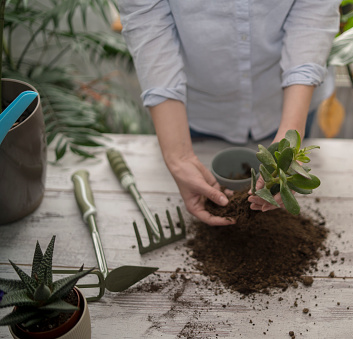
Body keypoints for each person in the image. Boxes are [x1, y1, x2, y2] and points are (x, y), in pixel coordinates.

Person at [118, 0, 340, 226]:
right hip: (190, 110)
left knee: (278, 193)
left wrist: (289, 138)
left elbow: (314, 12)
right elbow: (145, 17)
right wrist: (178, 155)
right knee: (200, 183)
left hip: (290, 100)